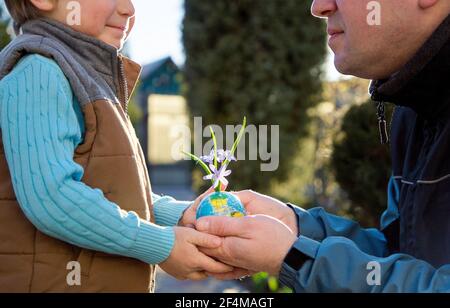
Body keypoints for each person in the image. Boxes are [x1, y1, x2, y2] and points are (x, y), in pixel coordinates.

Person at [197, 0, 450, 292]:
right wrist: (298, 228)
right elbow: (401, 253)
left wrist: (296, 257)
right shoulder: (416, 113)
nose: (319, 7)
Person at [0, 0, 234, 292]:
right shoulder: (39, 73)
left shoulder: (80, 77)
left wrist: (179, 215)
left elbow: (110, 193)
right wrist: (162, 245)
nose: (129, 9)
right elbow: (52, 197)